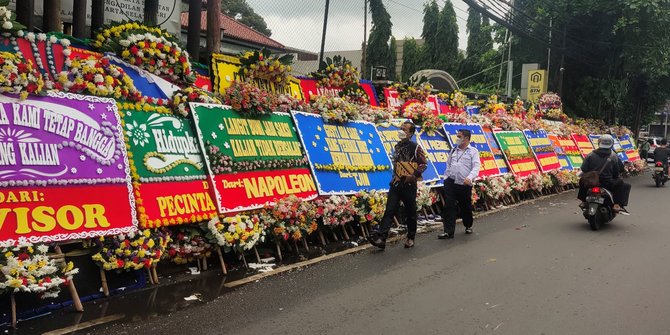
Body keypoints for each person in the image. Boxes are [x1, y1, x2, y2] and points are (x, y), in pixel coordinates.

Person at [369, 121, 427, 249]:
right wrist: (395, 174)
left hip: (409, 184)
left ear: (411, 133)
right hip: (396, 183)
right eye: (401, 128)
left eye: (405, 129)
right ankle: (381, 238)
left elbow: (423, 164)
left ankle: (411, 237)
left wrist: (413, 176)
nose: (401, 131)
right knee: (389, 210)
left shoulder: (415, 147)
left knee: (410, 212)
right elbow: (397, 164)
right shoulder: (397, 146)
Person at [438, 129, 481, 239]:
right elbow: (448, 164)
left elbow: (476, 167)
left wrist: (470, 177)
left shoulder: (473, 151)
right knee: (449, 206)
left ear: (466, 138)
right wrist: (446, 177)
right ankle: (448, 231)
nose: (457, 138)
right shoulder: (453, 150)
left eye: (459, 136)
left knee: (465, 206)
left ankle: (468, 225)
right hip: (451, 182)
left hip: (464, 183)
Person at [578, 134, 631, 214]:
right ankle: (616, 205)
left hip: (592, 182)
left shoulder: (590, 155)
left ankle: (583, 201)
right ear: (612, 144)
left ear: (599, 142)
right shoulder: (614, 156)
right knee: (621, 183)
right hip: (608, 183)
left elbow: (584, 169)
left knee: (582, 180)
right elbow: (617, 172)